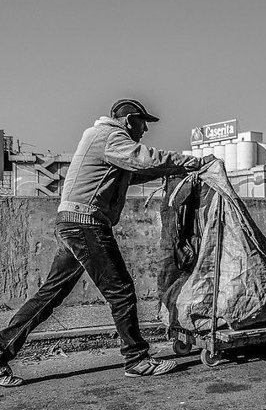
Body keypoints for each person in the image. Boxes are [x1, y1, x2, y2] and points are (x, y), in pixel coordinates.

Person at [0, 99, 200, 387]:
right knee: (120, 291)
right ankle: (136, 359)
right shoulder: (110, 136)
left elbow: (136, 172)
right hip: (86, 224)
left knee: (50, 296)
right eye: (144, 123)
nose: (145, 130)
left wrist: (172, 171)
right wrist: (192, 161)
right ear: (130, 120)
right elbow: (144, 158)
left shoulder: (105, 142)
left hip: (72, 221)